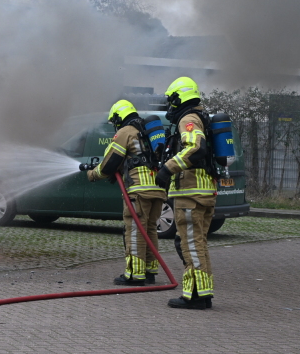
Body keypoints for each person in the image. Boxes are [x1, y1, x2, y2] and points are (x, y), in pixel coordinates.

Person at [88, 100, 166, 286]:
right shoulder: (145, 132)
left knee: (135, 231)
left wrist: (92, 174)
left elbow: (109, 163)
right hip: (158, 188)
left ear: (118, 117)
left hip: (138, 190)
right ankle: (150, 271)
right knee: (150, 230)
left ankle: (134, 274)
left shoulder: (125, 132)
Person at [155, 76, 217, 310]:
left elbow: (196, 148)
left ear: (179, 98)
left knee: (190, 244)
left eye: (172, 101)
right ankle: (200, 292)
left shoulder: (188, 119)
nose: (170, 107)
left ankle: (197, 296)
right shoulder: (201, 117)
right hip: (204, 190)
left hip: (191, 192)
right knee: (195, 243)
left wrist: (167, 169)